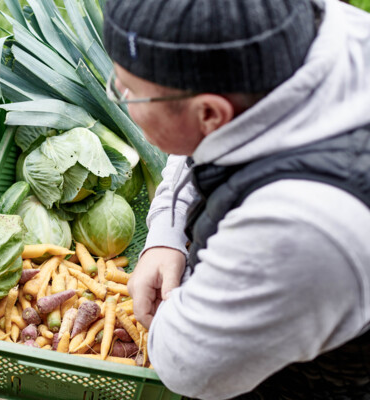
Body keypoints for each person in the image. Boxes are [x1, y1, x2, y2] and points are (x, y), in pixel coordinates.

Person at [103, 0, 370, 398]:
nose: (119, 97)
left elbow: (188, 365)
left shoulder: (299, 226)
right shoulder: (319, 29)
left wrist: (180, 305)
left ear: (210, 112)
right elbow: (203, 140)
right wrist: (167, 232)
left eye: (131, 93)